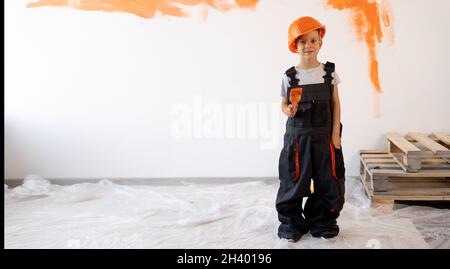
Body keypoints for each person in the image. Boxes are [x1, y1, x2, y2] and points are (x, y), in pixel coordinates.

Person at [276, 16, 346, 242]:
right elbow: (283, 104)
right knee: (293, 181)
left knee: (328, 180)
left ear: (320, 43)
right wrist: (288, 110)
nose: (308, 45)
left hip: (325, 138)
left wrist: (335, 134)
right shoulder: (289, 77)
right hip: (298, 139)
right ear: (294, 46)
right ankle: (292, 224)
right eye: (303, 41)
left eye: (313, 40)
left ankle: (323, 222)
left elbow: (336, 104)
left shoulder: (329, 73)